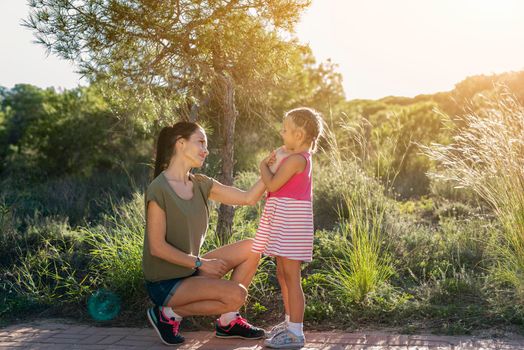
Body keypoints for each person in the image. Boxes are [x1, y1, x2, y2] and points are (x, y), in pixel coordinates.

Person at [144, 121, 268, 345]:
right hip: (166, 282)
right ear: (181, 144)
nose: (206, 149)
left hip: (190, 271)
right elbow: (157, 247)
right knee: (236, 295)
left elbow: (248, 198)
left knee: (253, 246)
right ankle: (168, 314)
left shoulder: (201, 183)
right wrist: (201, 263)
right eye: (200, 142)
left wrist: (270, 170)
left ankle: (228, 321)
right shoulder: (159, 189)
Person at [252, 107, 324, 349]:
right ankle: (289, 320)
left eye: (285, 130)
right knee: (282, 273)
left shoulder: (296, 160)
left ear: (300, 135)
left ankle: (296, 332)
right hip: (283, 218)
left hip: (292, 221)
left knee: (292, 276)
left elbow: (271, 182)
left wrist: (262, 164)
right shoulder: (293, 156)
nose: (281, 133)